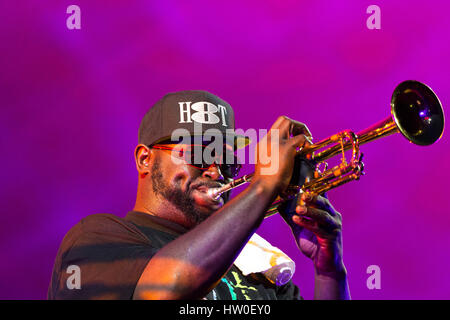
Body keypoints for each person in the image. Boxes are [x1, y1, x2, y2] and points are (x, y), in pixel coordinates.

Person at [48, 90, 350, 300]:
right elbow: (161, 290)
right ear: (145, 160)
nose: (217, 171)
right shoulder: (98, 238)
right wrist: (263, 186)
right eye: (200, 153)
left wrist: (329, 272)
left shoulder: (255, 263)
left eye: (228, 160)